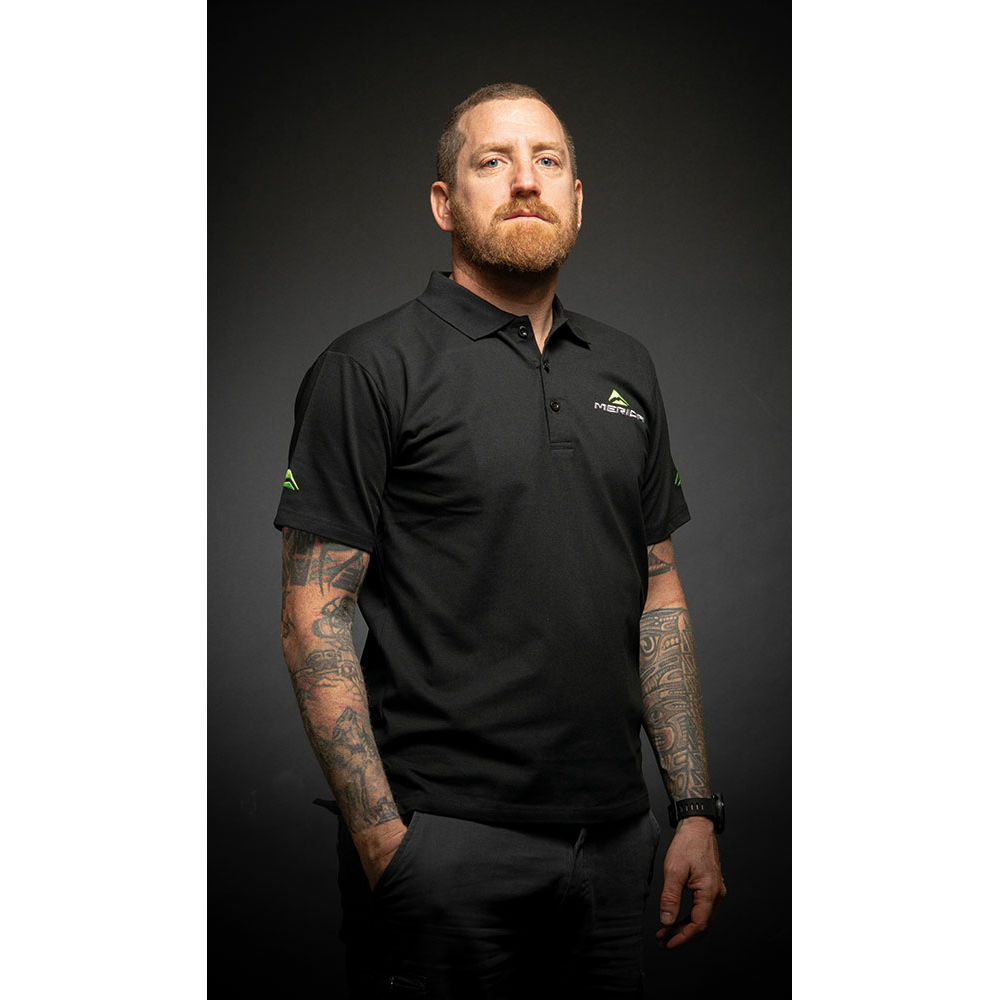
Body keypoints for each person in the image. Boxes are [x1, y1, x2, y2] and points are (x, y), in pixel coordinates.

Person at [276, 82, 725, 998]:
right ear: (445, 202)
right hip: (444, 843)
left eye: (547, 161)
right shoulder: (369, 367)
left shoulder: (627, 367)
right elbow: (312, 614)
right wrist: (385, 843)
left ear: (577, 199)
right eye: (494, 161)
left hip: (616, 847)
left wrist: (692, 809)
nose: (526, 180)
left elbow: (660, 594)